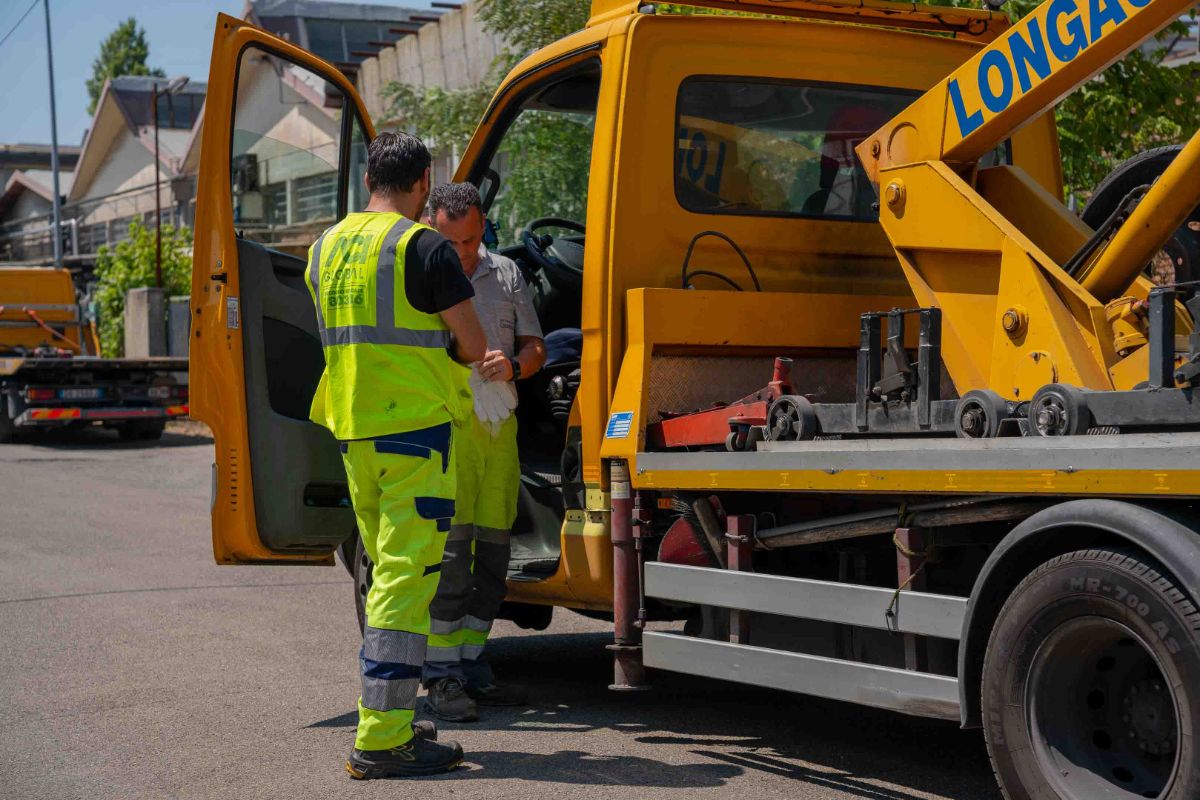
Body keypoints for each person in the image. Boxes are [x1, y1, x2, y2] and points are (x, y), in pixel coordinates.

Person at [304, 132, 487, 779]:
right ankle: (382, 739)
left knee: (386, 574)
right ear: (423, 183)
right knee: (407, 583)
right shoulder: (424, 247)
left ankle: (392, 720)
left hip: (354, 432)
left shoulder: (323, 248)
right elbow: (472, 344)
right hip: (416, 433)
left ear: (366, 181)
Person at [422, 182, 546, 721]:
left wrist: (514, 366)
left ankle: (472, 665)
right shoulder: (419, 273)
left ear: (482, 228)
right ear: (432, 230)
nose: (463, 253)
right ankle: (440, 675)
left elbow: (536, 347)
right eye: (451, 244)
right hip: (449, 431)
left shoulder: (508, 274)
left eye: (471, 240)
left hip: (499, 433)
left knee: (494, 559)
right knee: (451, 562)